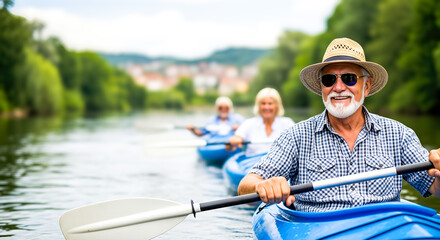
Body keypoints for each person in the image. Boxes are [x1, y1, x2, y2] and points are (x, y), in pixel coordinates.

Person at [238, 38, 440, 212]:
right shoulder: (296, 136)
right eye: (329, 79)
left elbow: (436, 187)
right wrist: (263, 186)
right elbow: (246, 185)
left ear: (366, 86)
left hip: (384, 229)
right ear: (321, 87)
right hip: (317, 230)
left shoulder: (399, 134)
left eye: (350, 79)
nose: (339, 87)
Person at [228, 88, 294, 157]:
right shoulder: (249, 123)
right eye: (263, 103)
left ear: (276, 106)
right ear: (259, 106)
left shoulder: (288, 123)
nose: (266, 107)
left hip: (280, 163)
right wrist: (234, 141)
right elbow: (229, 146)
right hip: (253, 164)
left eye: (270, 103)